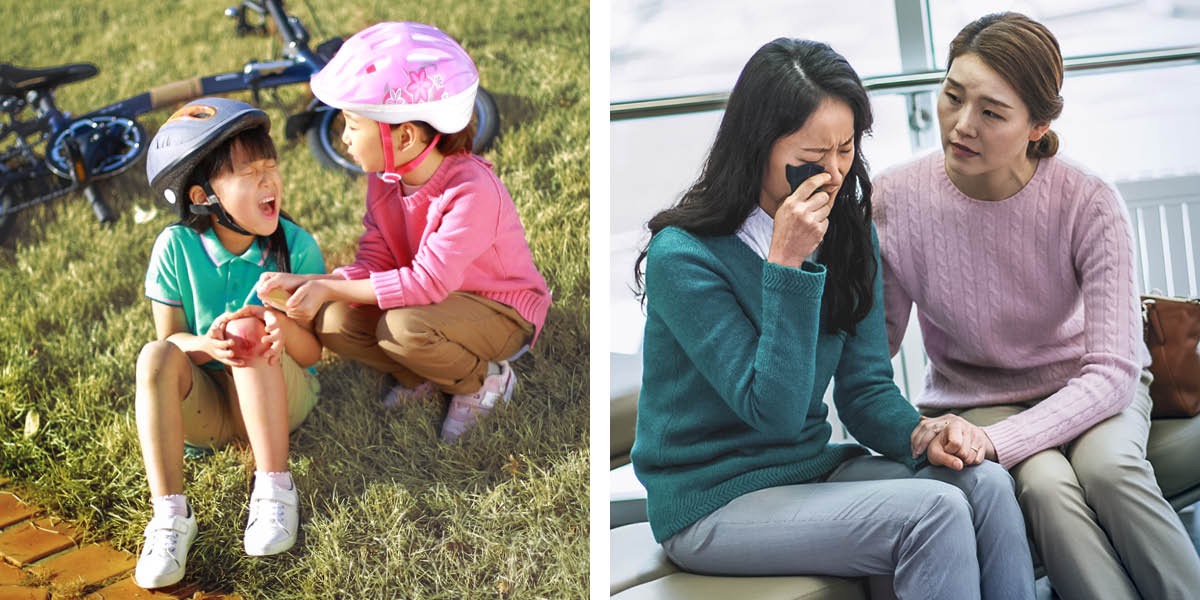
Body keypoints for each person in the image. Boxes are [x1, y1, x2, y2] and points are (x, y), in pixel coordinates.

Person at [631, 38, 1034, 600]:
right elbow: (774, 415)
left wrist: (922, 433)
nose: (835, 171)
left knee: (985, 483)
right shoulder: (684, 256)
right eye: (814, 155)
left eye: (846, 149)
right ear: (757, 146)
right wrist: (787, 266)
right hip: (710, 501)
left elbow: (865, 390)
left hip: (810, 469)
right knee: (935, 511)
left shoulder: (847, 231)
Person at [873, 12, 1200, 600]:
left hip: (1091, 384)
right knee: (1046, 485)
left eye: (992, 113)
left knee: (1111, 470)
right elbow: (876, 348)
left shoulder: (1088, 200)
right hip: (975, 398)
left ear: (1037, 126)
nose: (962, 125)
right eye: (953, 96)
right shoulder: (894, 199)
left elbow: (1113, 370)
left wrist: (1003, 442)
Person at [256, 22, 550, 443]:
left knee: (403, 328)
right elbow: (375, 262)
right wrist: (314, 284)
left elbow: (427, 284)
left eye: (352, 125)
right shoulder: (385, 180)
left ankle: (484, 380)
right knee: (335, 319)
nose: (344, 138)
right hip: (430, 307)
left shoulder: (472, 192)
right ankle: (423, 374)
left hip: (500, 314)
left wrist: (329, 286)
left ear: (405, 136)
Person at [133, 98, 325, 588]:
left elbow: (313, 355)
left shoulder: (295, 246)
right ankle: (170, 517)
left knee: (247, 330)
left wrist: (278, 326)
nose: (269, 181)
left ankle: (274, 487)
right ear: (203, 196)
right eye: (249, 173)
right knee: (154, 356)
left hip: (282, 397)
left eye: (270, 167)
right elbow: (171, 341)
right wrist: (206, 345)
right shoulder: (175, 247)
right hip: (212, 413)